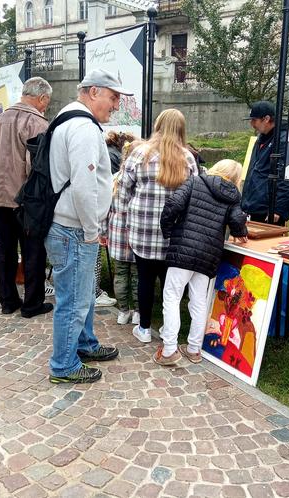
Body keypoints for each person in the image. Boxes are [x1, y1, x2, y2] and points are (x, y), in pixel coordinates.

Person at [45, 69, 130, 384]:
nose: (115, 105)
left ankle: (84, 344)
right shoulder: (82, 128)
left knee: (82, 295)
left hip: (69, 224)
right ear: (94, 92)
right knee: (75, 298)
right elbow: (84, 185)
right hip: (75, 228)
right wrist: (93, 228)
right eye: (113, 97)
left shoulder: (70, 119)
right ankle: (64, 366)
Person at [118, 109, 199, 344]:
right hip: (174, 234)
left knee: (144, 278)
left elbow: (122, 193)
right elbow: (194, 196)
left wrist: (124, 222)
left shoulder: (139, 153)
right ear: (182, 129)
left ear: (158, 125)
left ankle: (143, 328)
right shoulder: (188, 158)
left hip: (142, 232)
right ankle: (166, 328)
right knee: (170, 284)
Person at [156, 159, 248, 365]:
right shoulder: (233, 196)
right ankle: (194, 349)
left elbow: (173, 205)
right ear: (235, 178)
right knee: (198, 302)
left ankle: (169, 349)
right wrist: (242, 233)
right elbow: (236, 221)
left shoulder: (195, 182)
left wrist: (168, 230)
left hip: (183, 250)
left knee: (171, 297)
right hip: (209, 254)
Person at [0, 76, 54, 318]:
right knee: (33, 251)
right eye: (47, 101)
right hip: (25, 199)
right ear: (41, 98)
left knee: (5, 249)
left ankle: (7, 301)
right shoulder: (36, 122)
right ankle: (32, 303)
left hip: (0, 195)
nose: (46, 106)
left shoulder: (0, 119)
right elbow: (37, 167)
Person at [241, 101, 289, 226]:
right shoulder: (262, 139)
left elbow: (287, 177)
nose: (251, 124)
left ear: (266, 119)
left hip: (269, 211)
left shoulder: (283, 140)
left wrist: (278, 209)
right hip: (254, 206)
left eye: (254, 120)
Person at [107, 138, 143, 326]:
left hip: (117, 231)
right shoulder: (140, 181)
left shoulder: (114, 178)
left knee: (120, 273)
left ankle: (123, 311)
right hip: (136, 231)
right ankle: (138, 311)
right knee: (137, 274)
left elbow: (106, 207)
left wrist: (104, 230)